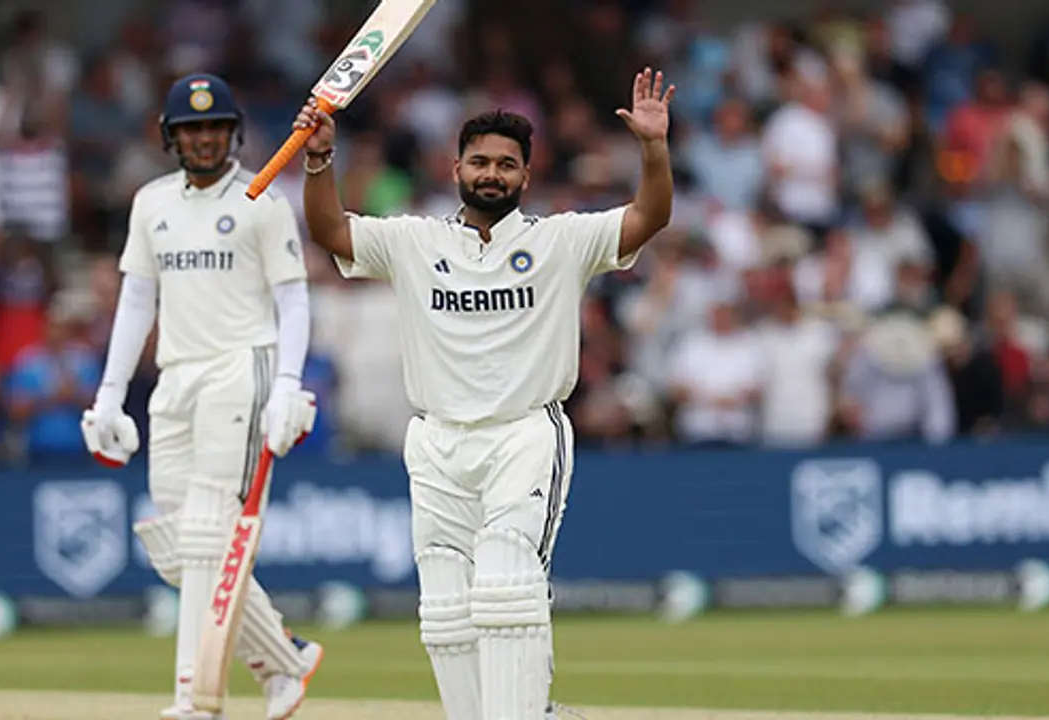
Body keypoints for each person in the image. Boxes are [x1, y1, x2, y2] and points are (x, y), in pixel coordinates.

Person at [295, 67, 676, 720]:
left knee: (506, 585)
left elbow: (649, 217)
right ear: (456, 169)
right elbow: (332, 233)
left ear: (526, 177)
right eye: (480, 162)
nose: (492, 173)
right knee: (445, 610)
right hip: (438, 437)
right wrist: (321, 159)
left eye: (506, 164)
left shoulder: (560, 239)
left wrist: (652, 148)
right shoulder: (416, 241)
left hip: (524, 432)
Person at [80, 73, 321, 720]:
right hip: (175, 379)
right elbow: (136, 299)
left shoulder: (263, 199)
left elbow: (293, 297)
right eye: (192, 129)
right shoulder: (151, 202)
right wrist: (108, 394)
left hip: (242, 370)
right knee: (177, 546)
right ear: (171, 138)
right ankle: (286, 659)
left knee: (209, 536)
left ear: (234, 132)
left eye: (216, 127)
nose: (206, 139)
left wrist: (290, 385)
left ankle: (195, 696)